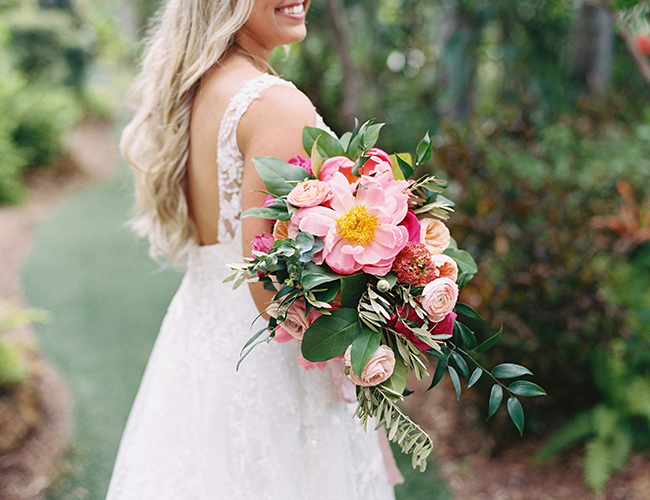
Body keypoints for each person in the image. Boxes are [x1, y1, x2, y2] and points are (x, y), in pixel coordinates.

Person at [105, 1, 400, 498]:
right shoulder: (276, 105)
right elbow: (272, 291)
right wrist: (387, 284)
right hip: (269, 368)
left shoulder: (199, 91)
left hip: (200, 341)